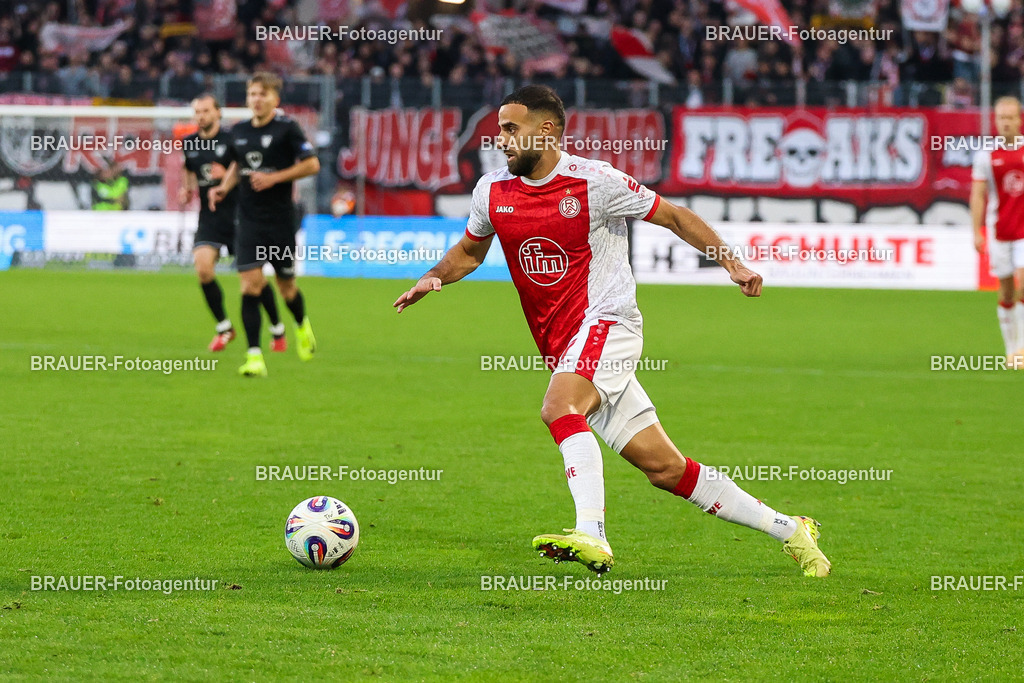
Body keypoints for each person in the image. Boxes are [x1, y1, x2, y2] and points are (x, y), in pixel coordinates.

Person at [394, 85, 830, 578]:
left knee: (559, 407)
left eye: (512, 129)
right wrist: (432, 278)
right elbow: (470, 251)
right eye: (500, 130)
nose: (502, 139)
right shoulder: (492, 191)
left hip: (608, 323)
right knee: (665, 469)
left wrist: (731, 262)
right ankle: (791, 529)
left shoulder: (595, 181)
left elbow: (674, 216)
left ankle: (591, 533)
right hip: (564, 347)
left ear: (547, 130)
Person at [209, 72, 320, 377]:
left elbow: (312, 164)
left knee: (286, 288)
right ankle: (254, 356)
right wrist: (224, 188)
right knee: (250, 286)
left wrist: (274, 178)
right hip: (248, 221)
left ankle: (301, 324)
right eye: (252, 94)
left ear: (275, 99)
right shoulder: (239, 131)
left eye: (263, 94)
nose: (256, 99)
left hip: (280, 222)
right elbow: (238, 165)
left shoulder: (287, 128)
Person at [179, 93, 287, 352]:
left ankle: (277, 328)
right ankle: (224, 328)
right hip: (210, 217)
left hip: (241, 216)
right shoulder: (189, 142)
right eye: (197, 112)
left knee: (254, 281)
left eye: (206, 111)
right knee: (203, 269)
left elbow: (246, 167)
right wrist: (187, 189)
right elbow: (189, 168)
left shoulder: (233, 139)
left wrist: (226, 175)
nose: (201, 116)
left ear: (218, 113)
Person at [971, 96, 1024, 363]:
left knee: (1023, 284)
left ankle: (1022, 348)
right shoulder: (986, 155)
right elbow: (978, 195)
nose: (1006, 123)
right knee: (1005, 291)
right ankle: (1011, 348)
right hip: (1000, 231)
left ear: (1019, 119)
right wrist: (976, 231)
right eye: (1001, 118)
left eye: (1010, 117)